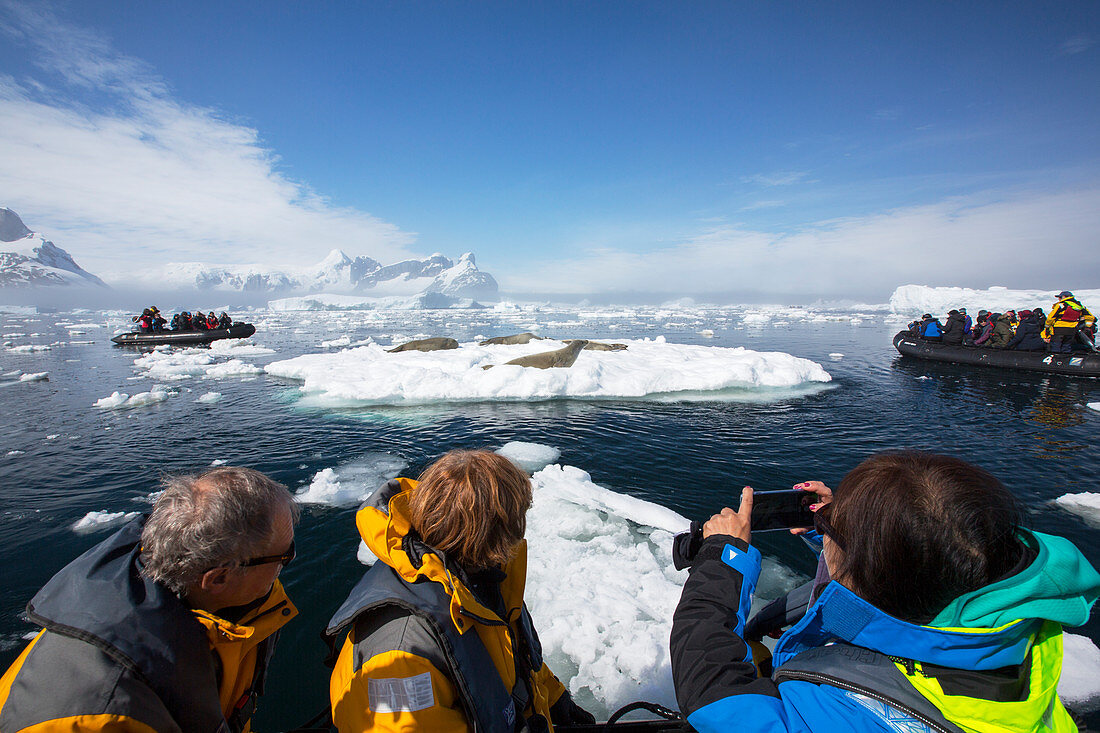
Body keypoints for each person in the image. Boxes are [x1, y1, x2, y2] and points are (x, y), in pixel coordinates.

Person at [670, 452, 1100, 733]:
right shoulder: (1013, 624)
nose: (829, 524)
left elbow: (715, 697)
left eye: (835, 528)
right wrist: (853, 534)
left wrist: (720, 560)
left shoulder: (853, 717)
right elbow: (922, 569)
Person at [0, 467, 299, 733]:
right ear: (218, 578)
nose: (289, 562)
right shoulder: (102, 714)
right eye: (285, 556)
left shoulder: (206, 599)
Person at [326, 450, 593, 732]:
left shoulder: (486, 581)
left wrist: (553, 695)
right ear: (495, 534)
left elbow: (512, 654)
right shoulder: (401, 650)